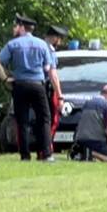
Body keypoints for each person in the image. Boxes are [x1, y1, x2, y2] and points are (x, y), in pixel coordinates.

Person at [0, 14, 55, 162]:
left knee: (22, 121)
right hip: (37, 85)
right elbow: (48, 67)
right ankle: (46, 153)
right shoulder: (42, 44)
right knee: (44, 119)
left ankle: (25, 155)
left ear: (22, 27)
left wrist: (5, 79)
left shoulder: (13, 45)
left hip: (20, 85)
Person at [74, 85, 107, 163]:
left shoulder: (87, 103)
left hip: (80, 140)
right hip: (96, 141)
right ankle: (91, 153)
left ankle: (82, 153)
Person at [43, 25, 67, 156]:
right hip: (47, 89)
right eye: (60, 39)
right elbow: (53, 75)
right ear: (55, 38)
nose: (60, 42)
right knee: (52, 119)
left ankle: (45, 148)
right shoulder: (49, 51)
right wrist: (60, 95)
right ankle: (46, 148)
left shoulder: (41, 47)